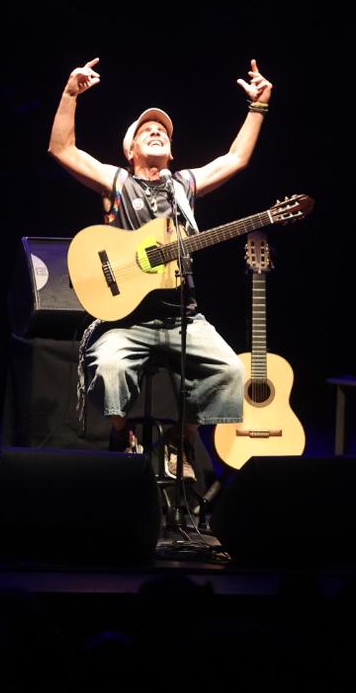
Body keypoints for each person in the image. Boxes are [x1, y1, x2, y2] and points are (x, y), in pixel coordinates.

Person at [48, 57, 272, 451]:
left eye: (162, 132)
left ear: (171, 153)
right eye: (146, 130)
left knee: (233, 371)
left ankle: (178, 439)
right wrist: (70, 94)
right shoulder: (117, 182)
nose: (156, 132)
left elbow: (235, 159)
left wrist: (258, 107)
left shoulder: (184, 186)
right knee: (112, 367)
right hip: (127, 320)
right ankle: (122, 433)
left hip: (183, 317)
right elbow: (62, 148)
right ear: (131, 149)